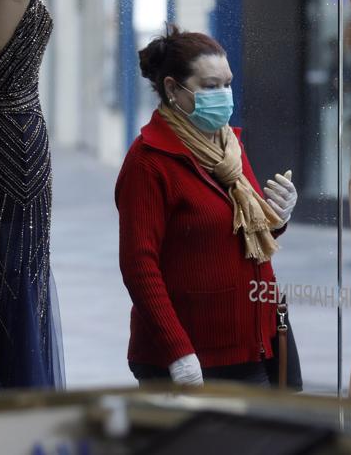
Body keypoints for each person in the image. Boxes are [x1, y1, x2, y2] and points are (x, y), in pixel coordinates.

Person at [116, 26, 302, 388]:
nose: (224, 96)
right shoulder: (148, 161)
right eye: (211, 86)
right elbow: (139, 267)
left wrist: (278, 215)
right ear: (172, 89)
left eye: (227, 84)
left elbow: (241, 230)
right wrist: (178, 353)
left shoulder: (228, 145)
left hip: (259, 337)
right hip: (197, 355)